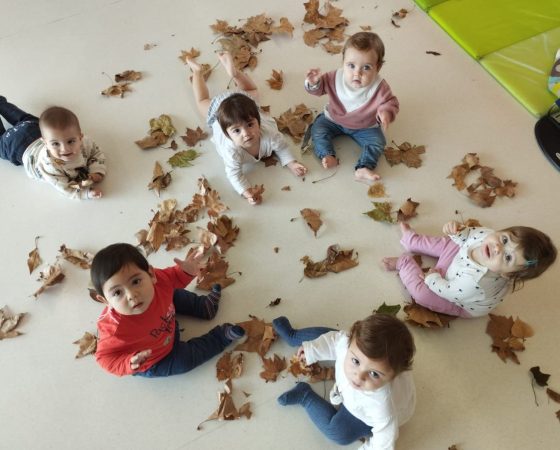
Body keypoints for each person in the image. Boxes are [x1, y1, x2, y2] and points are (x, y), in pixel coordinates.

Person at [90, 243, 245, 377]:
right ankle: (220, 337)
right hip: (157, 357)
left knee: (173, 292)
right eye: (117, 292)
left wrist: (186, 272)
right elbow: (104, 358)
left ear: (151, 274)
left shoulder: (158, 281)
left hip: (167, 318)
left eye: (136, 281)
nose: (132, 295)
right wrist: (129, 363)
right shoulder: (114, 330)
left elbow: (175, 277)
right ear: (105, 301)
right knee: (184, 362)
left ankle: (204, 307)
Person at [273, 314, 415, 450]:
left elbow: (383, 440)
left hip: (363, 414)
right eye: (356, 361)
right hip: (350, 355)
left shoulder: (382, 406)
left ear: (393, 377)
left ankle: (305, 396)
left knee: (339, 433)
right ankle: (294, 336)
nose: (358, 376)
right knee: (334, 337)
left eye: (374, 374)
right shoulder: (347, 343)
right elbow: (334, 341)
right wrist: (312, 350)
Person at [186, 52, 307, 205]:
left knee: (252, 91)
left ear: (258, 121)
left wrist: (291, 163)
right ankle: (197, 71)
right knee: (202, 100)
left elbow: (282, 148)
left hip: (241, 102)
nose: (246, 133)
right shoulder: (231, 151)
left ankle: (234, 73)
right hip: (219, 111)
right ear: (226, 133)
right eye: (236, 131)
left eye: (250, 125)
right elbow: (234, 174)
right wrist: (247, 192)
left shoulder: (270, 135)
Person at [382, 221, 557, 317]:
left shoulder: (476, 283)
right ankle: (413, 241)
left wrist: (433, 279)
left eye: (508, 257)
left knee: (423, 295)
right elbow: (467, 236)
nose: (498, 248)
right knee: (450, 243)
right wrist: (456, 231)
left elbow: (447, 291)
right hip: (459, 263)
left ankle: (403, 264)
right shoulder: (486, 234)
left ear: (506, 274)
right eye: (504, 240)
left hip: (457, 297)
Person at [304, 32, 398, 183]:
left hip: (365, 127)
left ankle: (364, 167)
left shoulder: (380, 87)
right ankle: (327, 154)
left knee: (378, 142)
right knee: (317, 130)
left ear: (378, 67)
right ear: (343, 62)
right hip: (333, 119)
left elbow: (391, 102)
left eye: (366, 67)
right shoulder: (334, 77)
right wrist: (313, 83)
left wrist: (386, 112)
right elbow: (318, 90)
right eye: (351, 65)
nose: (357, 73)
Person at [0, 97, 106, 199]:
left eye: (70, 141)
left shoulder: (85, 143)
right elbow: (65, 188)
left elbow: (96, 153)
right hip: (16, 146)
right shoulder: (50, 165)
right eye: (56, 144)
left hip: (33, 127)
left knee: (25, 119)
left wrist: (96, 171)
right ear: (45, 143)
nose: (65, 149)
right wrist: (87, 193)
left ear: (80, 137)